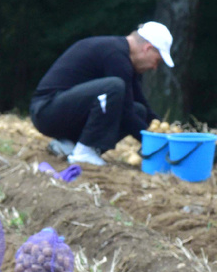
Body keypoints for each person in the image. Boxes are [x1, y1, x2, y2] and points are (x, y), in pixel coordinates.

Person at [29, 23, 173, 166]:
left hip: (64, 111)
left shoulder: (122, 57)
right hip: (46, 111)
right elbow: (125, 111)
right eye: (157, 61)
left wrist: (165, 132)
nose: (154, 68)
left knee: (139, 111)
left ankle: (70, 146)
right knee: (113, 87)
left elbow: (140, 104)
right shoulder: (115, 56)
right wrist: (152, 141)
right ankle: (84, 152)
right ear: (147, 48)